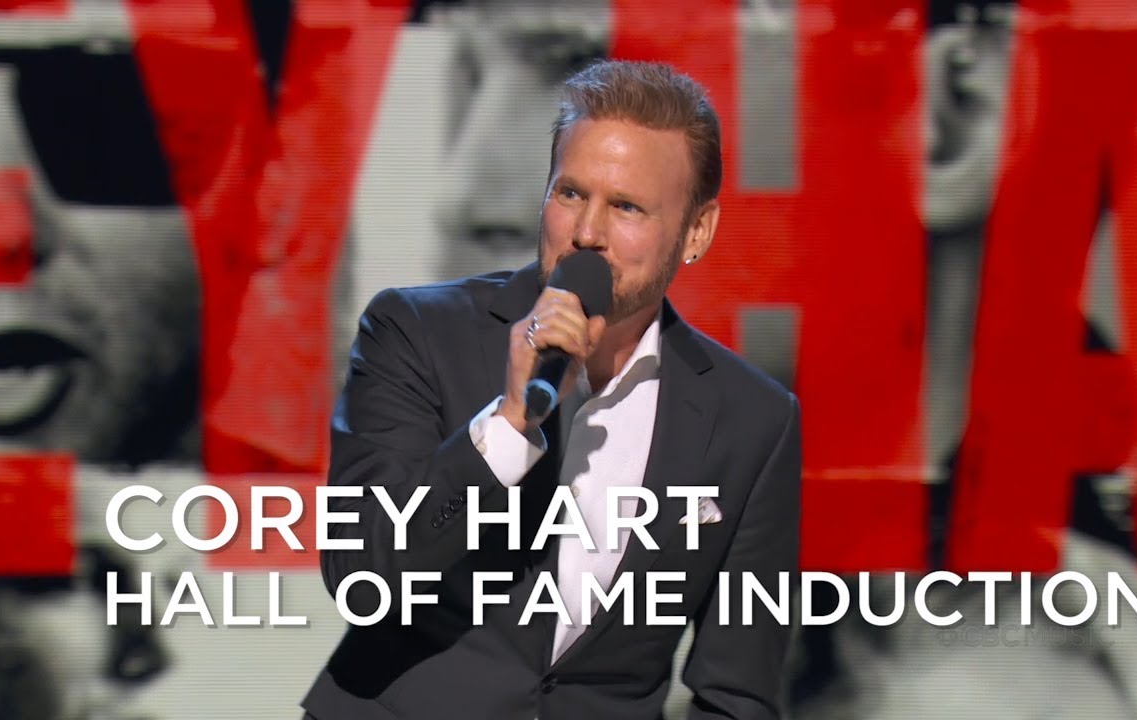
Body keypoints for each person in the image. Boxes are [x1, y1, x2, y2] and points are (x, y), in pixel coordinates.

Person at [304, 59, 802, 720]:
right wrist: (509, 425)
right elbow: (361, 576)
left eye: (625, 207)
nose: (587, 233)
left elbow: (738, 691)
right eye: (571, 194)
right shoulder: (416, 332)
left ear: (697, 231)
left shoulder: (752, 419)